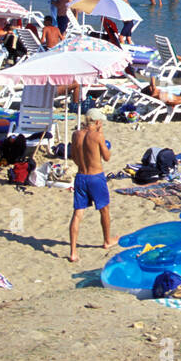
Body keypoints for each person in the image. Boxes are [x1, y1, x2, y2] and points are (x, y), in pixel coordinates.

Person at [68, 108, 116, 262]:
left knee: (77, 214)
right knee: (104, 210)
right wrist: (102, 137)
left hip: (81, 176)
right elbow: (107, 157)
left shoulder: (76, 134)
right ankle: (107, 240)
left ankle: (73, 252)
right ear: (96, 122)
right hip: (96, 177)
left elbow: (74, 158)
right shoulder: (97, 136)